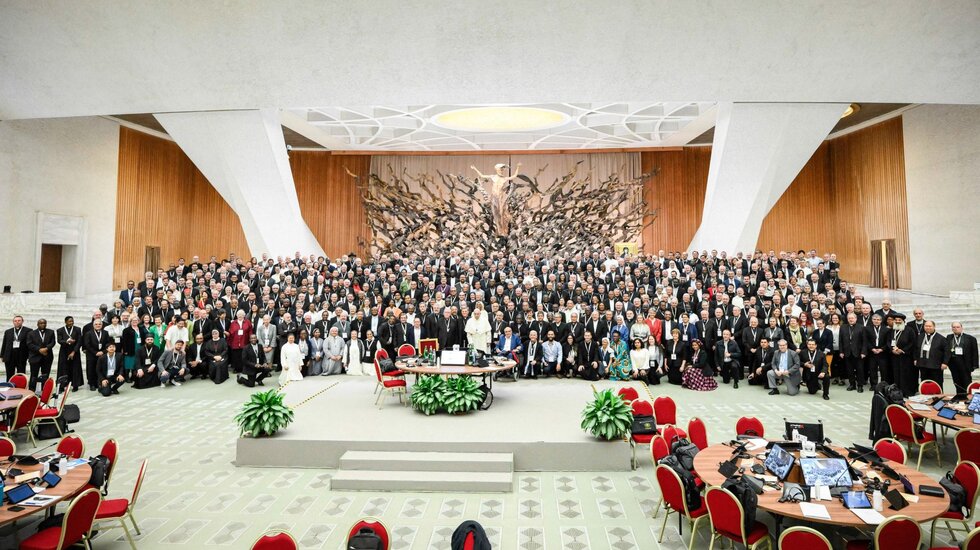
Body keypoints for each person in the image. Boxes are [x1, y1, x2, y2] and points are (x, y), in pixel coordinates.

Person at [946, 322, 978, 396]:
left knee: (966, 381)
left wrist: (974, 365)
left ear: (961, 328)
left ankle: (967, 397)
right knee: (956, 381)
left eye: (957, 327)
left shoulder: (970, 338)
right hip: (953, 364)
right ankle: (959, 396)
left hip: (965, 363)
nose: (956, 329)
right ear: (952, 328)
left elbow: (975, 352)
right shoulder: (949, 337)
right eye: (954, 327)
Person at [839, 312, 868, 393]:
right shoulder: (843, 327)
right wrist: (841, 352)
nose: (851, 319)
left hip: (858, 353)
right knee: (849, 370)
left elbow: (864, 342)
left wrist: (863, 352)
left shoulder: (861, 327)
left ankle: (860, 385)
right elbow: (840, 340)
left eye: (852, 318)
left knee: (860, 370)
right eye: (849, 318)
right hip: (847, 352)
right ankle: (852, 384)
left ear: (856, 319)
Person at [914, 320, 948, 389]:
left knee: (937, 384)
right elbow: (915, 349)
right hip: (923, 365)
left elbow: (947, 351)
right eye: (926, 326)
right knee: (925, 383)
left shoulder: (941, 338)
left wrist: (945, 363)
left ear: (934, 327)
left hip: (935, 366)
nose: (928, 328)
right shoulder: (920, 336)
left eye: (930, 326)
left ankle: (938, 397)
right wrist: (915, 359)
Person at [27, 319, 56, 392]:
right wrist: (39, 350)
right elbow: (29, 344)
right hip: (35, 357)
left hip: (47, 356)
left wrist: (46, 348)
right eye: (41, 323)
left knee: (45, 374)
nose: (43, 324)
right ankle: (32, 390)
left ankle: (45, 389)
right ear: (37, 324)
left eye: (44, 323)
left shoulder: (51, 332)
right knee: (34, 374)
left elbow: (53, 342)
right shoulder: (31, 333)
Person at [56, 316, 83, 391]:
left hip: (75, 351)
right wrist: (67, 342)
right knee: (63, 368)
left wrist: (74, 351)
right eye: (69, 321)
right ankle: (62, 385)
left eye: (72, 321)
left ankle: (75, 385)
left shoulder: (77, 329)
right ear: (65, 322)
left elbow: (79, 341)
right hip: (64, 351)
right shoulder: (60, 330)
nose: (71, 322)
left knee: (75, 368)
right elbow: (59, 340)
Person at [82, 319, 109, 392]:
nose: (98, 325)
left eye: (99, 324)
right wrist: (95, 352)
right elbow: (87, 345)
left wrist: (103, 352)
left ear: (102, 325)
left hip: (102, 355)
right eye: (96, 324)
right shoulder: (88, 333)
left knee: (101, 369)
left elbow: (108, 344)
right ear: (93, 325)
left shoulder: (106, 333)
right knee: (91, 369)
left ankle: (99, 382)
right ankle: (92, 384)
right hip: (91, 354)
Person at [1, 315, 29, 381]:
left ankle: (21, 388)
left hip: (21, 355)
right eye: (15, 321)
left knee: (21, 374)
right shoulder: (8, 331)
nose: (17, 322)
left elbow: (29, 344)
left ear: (22, 321)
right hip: (9, 356)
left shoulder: (28, 331)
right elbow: (4, 343)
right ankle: (9, 387)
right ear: (13, 322)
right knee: (9, 374)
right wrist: (2, 355)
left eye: (19, 320)